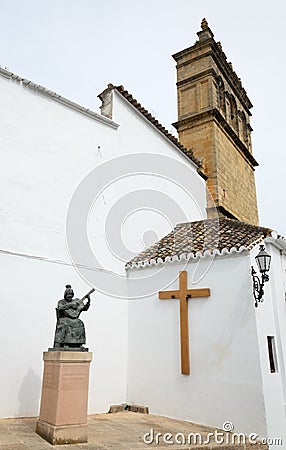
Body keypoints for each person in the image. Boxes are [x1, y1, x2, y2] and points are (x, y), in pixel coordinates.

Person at [53, 285, 90, 350]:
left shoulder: (76, 301)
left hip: (74, 319)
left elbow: (84, 308)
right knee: (66, 323)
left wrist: (88, 301)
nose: (69, 295)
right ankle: (65, 343)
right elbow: (60, 308)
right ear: (65, 295)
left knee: (80, 322)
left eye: (71, 294)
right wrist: (71, 305)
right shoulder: (61, 302)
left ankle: (78, 344)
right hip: (64, 319)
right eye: (68, 294)